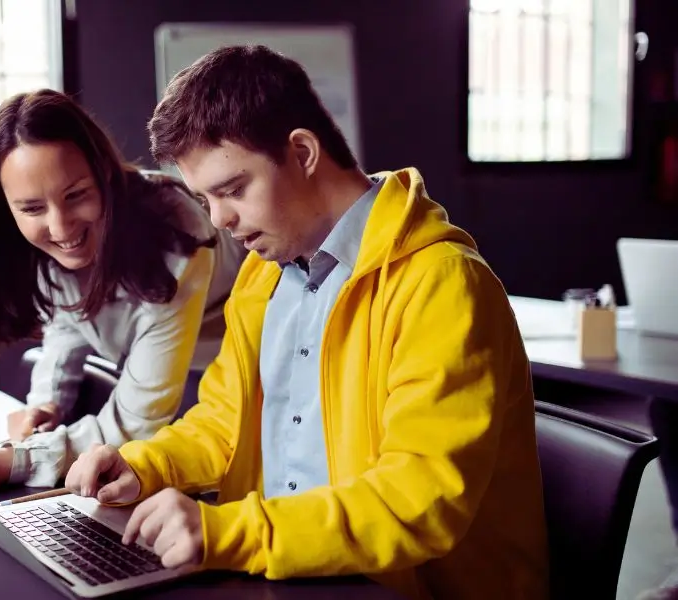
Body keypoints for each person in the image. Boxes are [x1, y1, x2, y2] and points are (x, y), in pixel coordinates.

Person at [64, 45, 550, 599]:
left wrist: (230, 531)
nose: (219, 220)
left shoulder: (442, 284)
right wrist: (144, 465)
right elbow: (225, 420)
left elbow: (420, 499)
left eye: (232, 189)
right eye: (205, 197)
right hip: (290, 574)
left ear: (302, 151)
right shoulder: (262, 276)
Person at [0, 89, 245, 490]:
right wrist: (45, 403)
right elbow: (66, 324)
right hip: (166, 378)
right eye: (32, 209)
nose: (61, 229)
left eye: (76, 195)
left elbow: (136, 422)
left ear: (105, 176)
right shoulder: (42, 250)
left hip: (231, 369)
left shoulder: (177, 233)